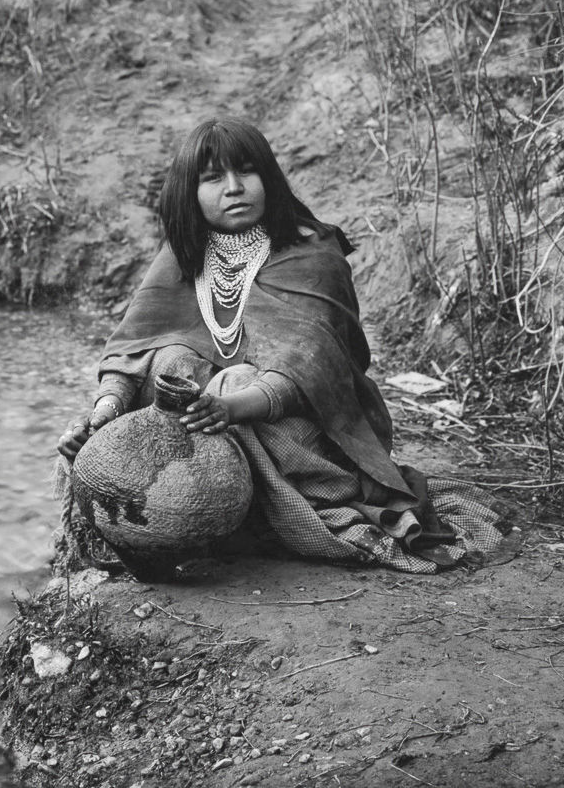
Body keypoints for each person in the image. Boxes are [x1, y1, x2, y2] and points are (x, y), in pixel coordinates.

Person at [56, 117, 502, 574]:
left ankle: (248, 512)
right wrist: (105, 414)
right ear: (190, 192)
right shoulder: (183, 254)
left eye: (246, 171)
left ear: (268, 178)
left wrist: (231, 407)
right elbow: (135, 347)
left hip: (297, 427)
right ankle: (182, 506)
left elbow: (308, 365)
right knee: (172, 362)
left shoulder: (312, 254)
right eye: (213, 177)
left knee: (236, 380)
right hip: (205, 422)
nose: (234, 188)